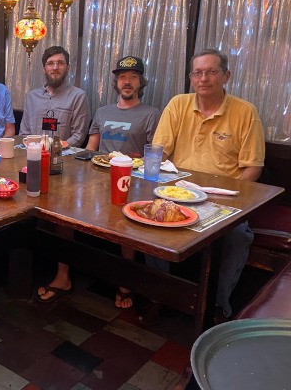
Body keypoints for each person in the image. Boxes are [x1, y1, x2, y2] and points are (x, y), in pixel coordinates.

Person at [37, 56, 161, 306]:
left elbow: (153, 155)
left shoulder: (151, 114)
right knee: (62, 207)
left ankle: (125, 281)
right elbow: (91, 147)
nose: (127, 82)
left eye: (133, 77)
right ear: (116, 82)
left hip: (130, 180)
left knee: (126, 218)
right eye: (123, 77)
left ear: (141, 82)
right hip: (95, 178)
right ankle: (63, 275)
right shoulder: (103, 112)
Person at [152, 48, 265, 323]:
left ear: (226, 75)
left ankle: (217, 306)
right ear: (191, 78)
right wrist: (152, 177)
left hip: (223, 198)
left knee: (237, 237)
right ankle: (160, 295)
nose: (204, 79)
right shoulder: (178, 104)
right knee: (149, 224)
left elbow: (253, 168)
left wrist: (226, 197)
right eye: (198, 73)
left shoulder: (245, 111)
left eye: (212, 72)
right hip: (178, 192)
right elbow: (159, 152)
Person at [20, 46, 90, 147]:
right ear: (44, 68)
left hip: (64, 154)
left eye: (60, 63)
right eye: (50, 63)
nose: (55, 67)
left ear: (68, 67)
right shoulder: (32, 97)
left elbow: (78, 136)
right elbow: (24, 133)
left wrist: (56, 149)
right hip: (33, 152)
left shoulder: (78, 97)